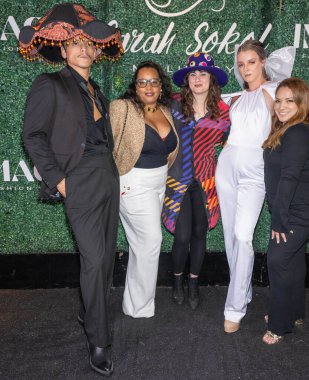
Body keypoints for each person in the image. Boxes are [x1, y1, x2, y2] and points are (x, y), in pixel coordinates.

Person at [20, 4, 123, 376]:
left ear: (96, 50)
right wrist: (59, 180)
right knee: (94, 260)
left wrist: (115, 177)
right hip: (77, 179)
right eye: (74, 42)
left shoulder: (96, 89)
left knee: (106, 259)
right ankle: (99, 340)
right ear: (63, 50)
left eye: (87, 43)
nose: (82, 48)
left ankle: (87, 309)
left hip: (107, 178)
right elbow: (32, 135)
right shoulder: (49, 83)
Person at [215, 40, 309, 334]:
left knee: (242, 236)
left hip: (255, 169)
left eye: (251, 62)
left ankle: (235, 308)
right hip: (227, 166)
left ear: (263, 62)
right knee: (229, 237)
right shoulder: (237, 98)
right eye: (240, 64)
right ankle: (244, 291)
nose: (245, 68)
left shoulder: (274, 93)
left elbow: (304, 119)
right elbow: (230, 133)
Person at [109, 61, 178, 318]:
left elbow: (169, 147)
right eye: (142, 82)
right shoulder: (122, 108)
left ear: (161, 86)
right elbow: (108, 146)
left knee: (142, 244)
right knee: (151, 240)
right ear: (135, 86)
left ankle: (134, 303)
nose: (148, 87)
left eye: (154, 82)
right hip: (133, 182)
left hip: (159, 182)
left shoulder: (164, 110)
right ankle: (140, 308)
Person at [162, 53, 231, 310]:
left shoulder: (224, 112)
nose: (198, 78)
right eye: (193, 74)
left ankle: (193, 284)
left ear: (211, 78)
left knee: (200, 233)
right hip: (178, 178)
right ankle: (177, 282)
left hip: (206, 180)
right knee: (181, 237)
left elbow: (231, 144)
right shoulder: (172, 105)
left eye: (203, 74)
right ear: (186, 80)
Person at [262, 78, 309, 344]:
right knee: (294, 259)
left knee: (277, 260)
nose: (282, 106)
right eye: (279, 100)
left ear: (302, 104)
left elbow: (288, 178)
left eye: (290, 101)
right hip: (295, 206)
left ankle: (279, 324)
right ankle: (294, 311)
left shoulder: (297, 132)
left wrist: (279, 220)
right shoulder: (288, 128)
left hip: (298, 209)